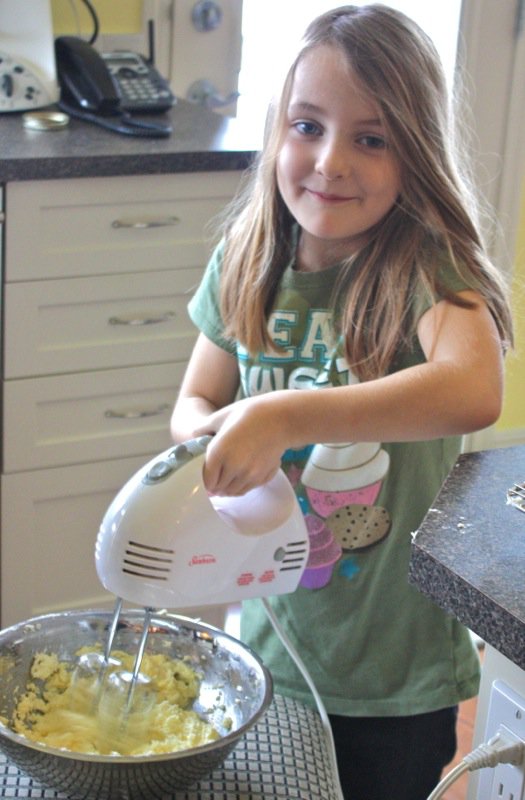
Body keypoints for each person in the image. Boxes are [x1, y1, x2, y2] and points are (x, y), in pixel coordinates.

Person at [170, 5, 513, 798]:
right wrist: (211, 438)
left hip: (395, 672)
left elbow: (473, 389)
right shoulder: (248, 258)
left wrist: (286, 414)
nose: (329, 161)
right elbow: (195, 397)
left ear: (414, 153)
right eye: (306, 126)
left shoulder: (426, 266)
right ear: (276, 131)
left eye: (370, 139)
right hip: (272, 646)